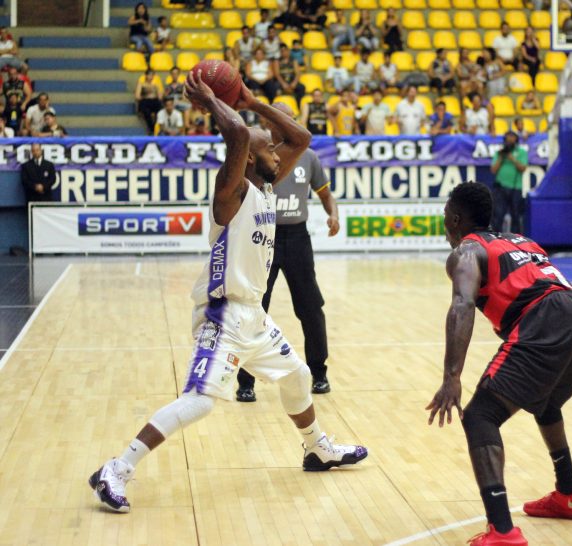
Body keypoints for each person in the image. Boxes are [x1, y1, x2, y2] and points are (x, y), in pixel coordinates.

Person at [88, 72, 367, 514]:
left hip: (253, 316)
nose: (278, 152)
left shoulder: (266, 183)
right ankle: (116, 468)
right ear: (249, 157)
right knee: (199, 402)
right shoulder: (231, 192)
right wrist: (213, 101)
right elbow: (237, 134)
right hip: (223, 315)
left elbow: (301, 137)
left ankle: (317, 449)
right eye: (268, 148)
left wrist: (252, 102)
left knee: (296, 377)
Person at [427, 182, 572, 546]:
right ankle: (570, 493)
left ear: (456, 219)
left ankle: (502, 530)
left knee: (480, 416)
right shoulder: (523, 241)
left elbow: (462, 304)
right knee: (546, 400)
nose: (444, 224)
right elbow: (558, 286)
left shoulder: (467, 250)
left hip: (549, 319)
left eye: (446, 216)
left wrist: (452, 377)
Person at [236, 102, 340, 402]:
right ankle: (245, 382)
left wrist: (333, 214)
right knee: (255, 308)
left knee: (311, 308)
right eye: (282, 119)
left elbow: (326, 194)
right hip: (263, 237)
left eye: (291, 119)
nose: (288, 123)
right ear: (270, 123)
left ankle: (319, 374)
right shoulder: (257, 155)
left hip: (297, 238)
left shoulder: (309, 157)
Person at [490, 131, 527, 233]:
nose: (509, 139)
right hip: (500, 188)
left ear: (516, 139)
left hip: (516, 188)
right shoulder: (500, 153)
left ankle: (516, 238)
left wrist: (512, 159)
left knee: (516, 215)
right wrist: (501, 158)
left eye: (512, 137)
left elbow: (523, 168)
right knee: (498, 215)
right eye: (507, 137)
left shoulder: (521, 152)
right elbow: (493, 170)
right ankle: (496, 238)